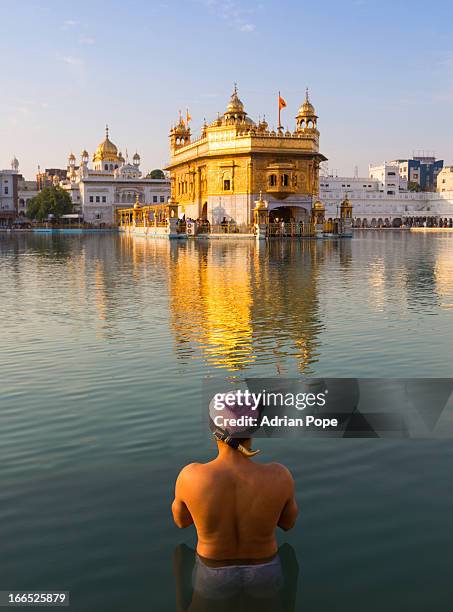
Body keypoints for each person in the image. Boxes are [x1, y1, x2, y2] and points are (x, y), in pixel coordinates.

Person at [171, 392, 298, 605]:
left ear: (214, 429)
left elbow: (181, 522)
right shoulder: (279, 475)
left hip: (212, 570)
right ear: (255, 427)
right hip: (265, 569)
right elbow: (288, 524)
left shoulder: (190, 476)